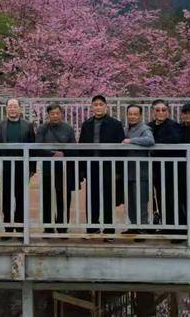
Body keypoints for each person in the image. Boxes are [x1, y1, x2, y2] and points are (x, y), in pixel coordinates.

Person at [78, 95, 125, 234]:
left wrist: (119, 170)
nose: (98, 107)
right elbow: (82, 146)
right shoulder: (86, 124)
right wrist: (81, 168)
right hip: (91, 165)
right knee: (91, 196)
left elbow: (121, 149)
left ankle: (109, 227)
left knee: (107, 196)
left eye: (101, 104)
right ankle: (92, 226)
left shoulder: (115, 124)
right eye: (95, 104)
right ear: (92, 107)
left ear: (106, 106)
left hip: (108, 165)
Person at [0, 98, 36, 237]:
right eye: (10, 106)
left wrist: (32, 167)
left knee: (21, 197)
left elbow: (33, 147)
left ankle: (20, 227)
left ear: (19, 108)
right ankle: (8, 228)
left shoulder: (27, 125)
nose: (12, 109)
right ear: (6, 108)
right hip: (5, 167)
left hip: (22, 167)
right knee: (6, 197)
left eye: (15, 106)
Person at [35, 103, 77, 234]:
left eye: (57, 113)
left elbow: (74, 147)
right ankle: (48, 226)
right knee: (46, 196)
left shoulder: (68, 128)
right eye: (52, 113)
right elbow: (37, 146)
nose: (55, 116)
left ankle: (62, 226)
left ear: (61, 114)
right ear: (48, 115)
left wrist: (63, 154)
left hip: (64, 168)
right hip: (47, 167)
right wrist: (52, 154)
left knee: (63, 197)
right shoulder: (42, 128)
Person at [147, 99, 182, 229]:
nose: (160, 112)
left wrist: (153, 143)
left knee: (170, 196)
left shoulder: (174, 126)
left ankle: (173, 225)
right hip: (154, 166)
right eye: (157, 110)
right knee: (156, 195)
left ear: (168, 111)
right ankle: (161, 220)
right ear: (153, 112)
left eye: (163, 110)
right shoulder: (149, 126)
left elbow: (174, 140)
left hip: (169, 167)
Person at [121, 104, 154, 235]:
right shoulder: (125, 129)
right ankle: (133, 226)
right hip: (128, 171)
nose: (132, 116)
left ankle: (142, 228)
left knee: (141, 201)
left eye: (135, 114)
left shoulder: (145, 129)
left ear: (140, 115)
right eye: (130, 114)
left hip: (141, 172)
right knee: (130, 202)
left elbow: (150, 140)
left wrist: (131, 141)